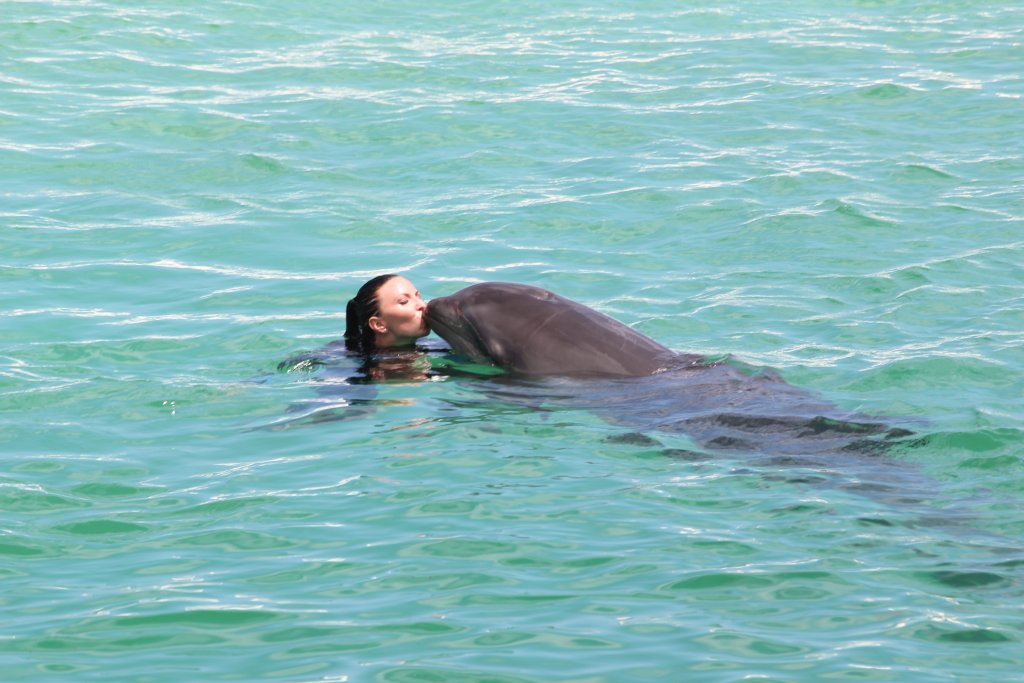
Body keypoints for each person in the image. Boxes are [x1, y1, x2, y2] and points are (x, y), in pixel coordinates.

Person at [344, 273, 430, 353]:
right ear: (378, 324)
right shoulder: (343, 361)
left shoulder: (430, 346)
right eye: (404, 301)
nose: (423, 305)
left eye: (418, 296)